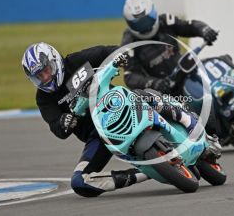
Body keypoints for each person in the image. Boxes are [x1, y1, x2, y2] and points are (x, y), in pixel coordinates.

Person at [21, 42, 220, 197]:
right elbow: (57, 128)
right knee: (80, 183)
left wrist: (120, 54)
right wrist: (65, 122)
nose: (45, 78)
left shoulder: (76, 61)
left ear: (54, 61)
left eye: (46, 71)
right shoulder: (43, 98)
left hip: (117, 102)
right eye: (38, 76)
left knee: (145, 94)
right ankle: (145, 173)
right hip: (99, 136)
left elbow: (104, 52)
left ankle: (187, 121)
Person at [121, 0, 234, 137]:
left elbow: (188, 26)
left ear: (154, 14)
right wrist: (154, 83)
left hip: (186, 69)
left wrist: (204, 30)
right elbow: (130, 76)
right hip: (166, 88)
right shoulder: (129, 44)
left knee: (221, 61)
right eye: (139, 24)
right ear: (130, 24)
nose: (145, 26)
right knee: (184, 120)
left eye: (147, 20)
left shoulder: (165, 21)